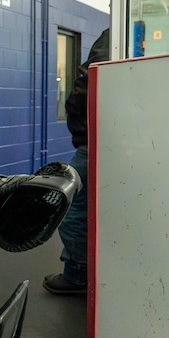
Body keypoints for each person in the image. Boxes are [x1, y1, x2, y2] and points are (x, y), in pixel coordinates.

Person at [43, 28, 109, 297]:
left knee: (73, 206)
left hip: (96, 140)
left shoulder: (115, 34)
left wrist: (82, 131)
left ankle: (76, 274)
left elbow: (88, 82)